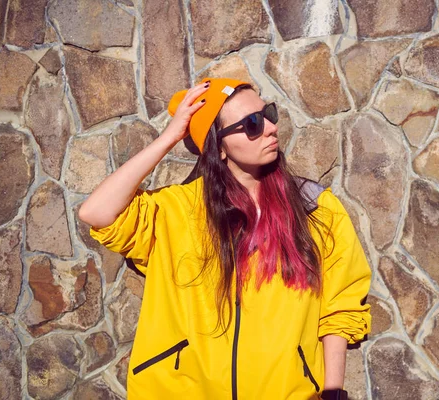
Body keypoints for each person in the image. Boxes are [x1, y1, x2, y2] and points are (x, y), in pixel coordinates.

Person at [79, 77, 372, 400]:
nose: (271, 128)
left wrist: (332, 394)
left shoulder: (315, 209)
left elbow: (340, 307)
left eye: (268, 115)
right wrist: (169, 137)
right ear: (219, 147)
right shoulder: (177, 212)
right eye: (252, 124)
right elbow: (96, 212)